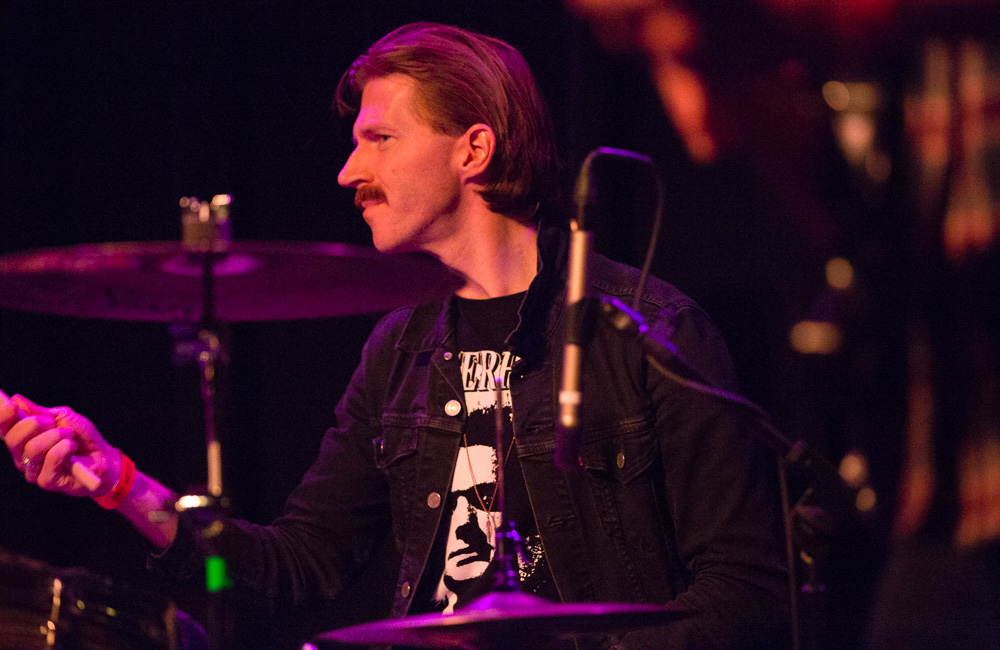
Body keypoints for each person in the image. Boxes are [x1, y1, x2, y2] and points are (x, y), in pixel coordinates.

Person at [1, 22, 788, 648]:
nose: (347, 171)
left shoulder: (651, 328)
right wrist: (120, 484)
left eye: (379, 138)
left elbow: (748, 594)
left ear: (473, 149)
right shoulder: (398, 351)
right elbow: (297, 567)